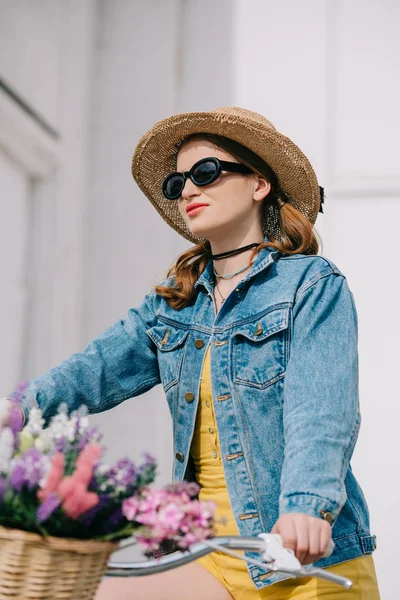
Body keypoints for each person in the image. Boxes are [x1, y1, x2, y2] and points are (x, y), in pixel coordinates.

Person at [2, 107, 380, 599]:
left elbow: (322, 410)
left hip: (300, 555)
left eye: (205, 173)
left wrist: (307, 505)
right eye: (177, 182)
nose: (187, 190)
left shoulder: (310, 285)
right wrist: (12, 411)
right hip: (210, 554)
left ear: (259, 183)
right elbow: (90, 372)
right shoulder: (173, 303)